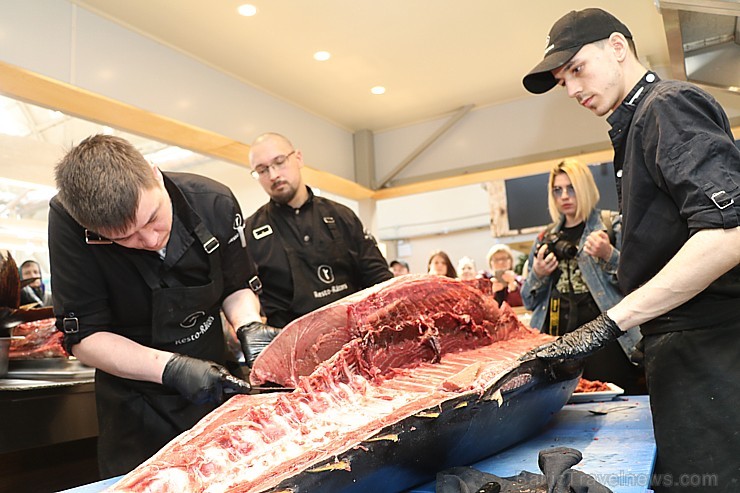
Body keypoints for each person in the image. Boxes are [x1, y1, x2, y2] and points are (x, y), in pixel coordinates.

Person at [523, 8, 740, 492]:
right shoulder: (635, 125)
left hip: (711, 356)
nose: (573, 89)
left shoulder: (667, 106)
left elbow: (730, 233)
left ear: (618, 48)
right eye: (564, 81)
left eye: (577, 69)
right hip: (681, 354)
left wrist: (611, 321)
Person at [49, 134, 274, 477]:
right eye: (126, 238)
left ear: (155, 173)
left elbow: (236, 284)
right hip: (135, 408)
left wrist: (249, 324)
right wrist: (171, 369)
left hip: (216, 388)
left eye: (153, 217)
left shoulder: (214, 202)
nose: (151, 240)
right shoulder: (67, 222)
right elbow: (86, 336)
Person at [244, 132, 393, 329]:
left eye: (279, 162)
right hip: (292, 347)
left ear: (298, 158)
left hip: (354, 337)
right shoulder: (251, 233)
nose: (273, 175)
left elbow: (379, 278)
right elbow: (246, 297)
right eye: (262, 170)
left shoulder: (342, 216)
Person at [520, 159, 642, 393]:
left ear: (584, 187)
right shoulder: (545, 237)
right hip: (557, 339)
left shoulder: (610, 225)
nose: (564, 196)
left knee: (615, 407)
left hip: (606, 339)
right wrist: (537, 273)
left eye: (571, 187)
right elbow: (529, 301)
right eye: (557, 190)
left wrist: (609, 255)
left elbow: (637, 283)